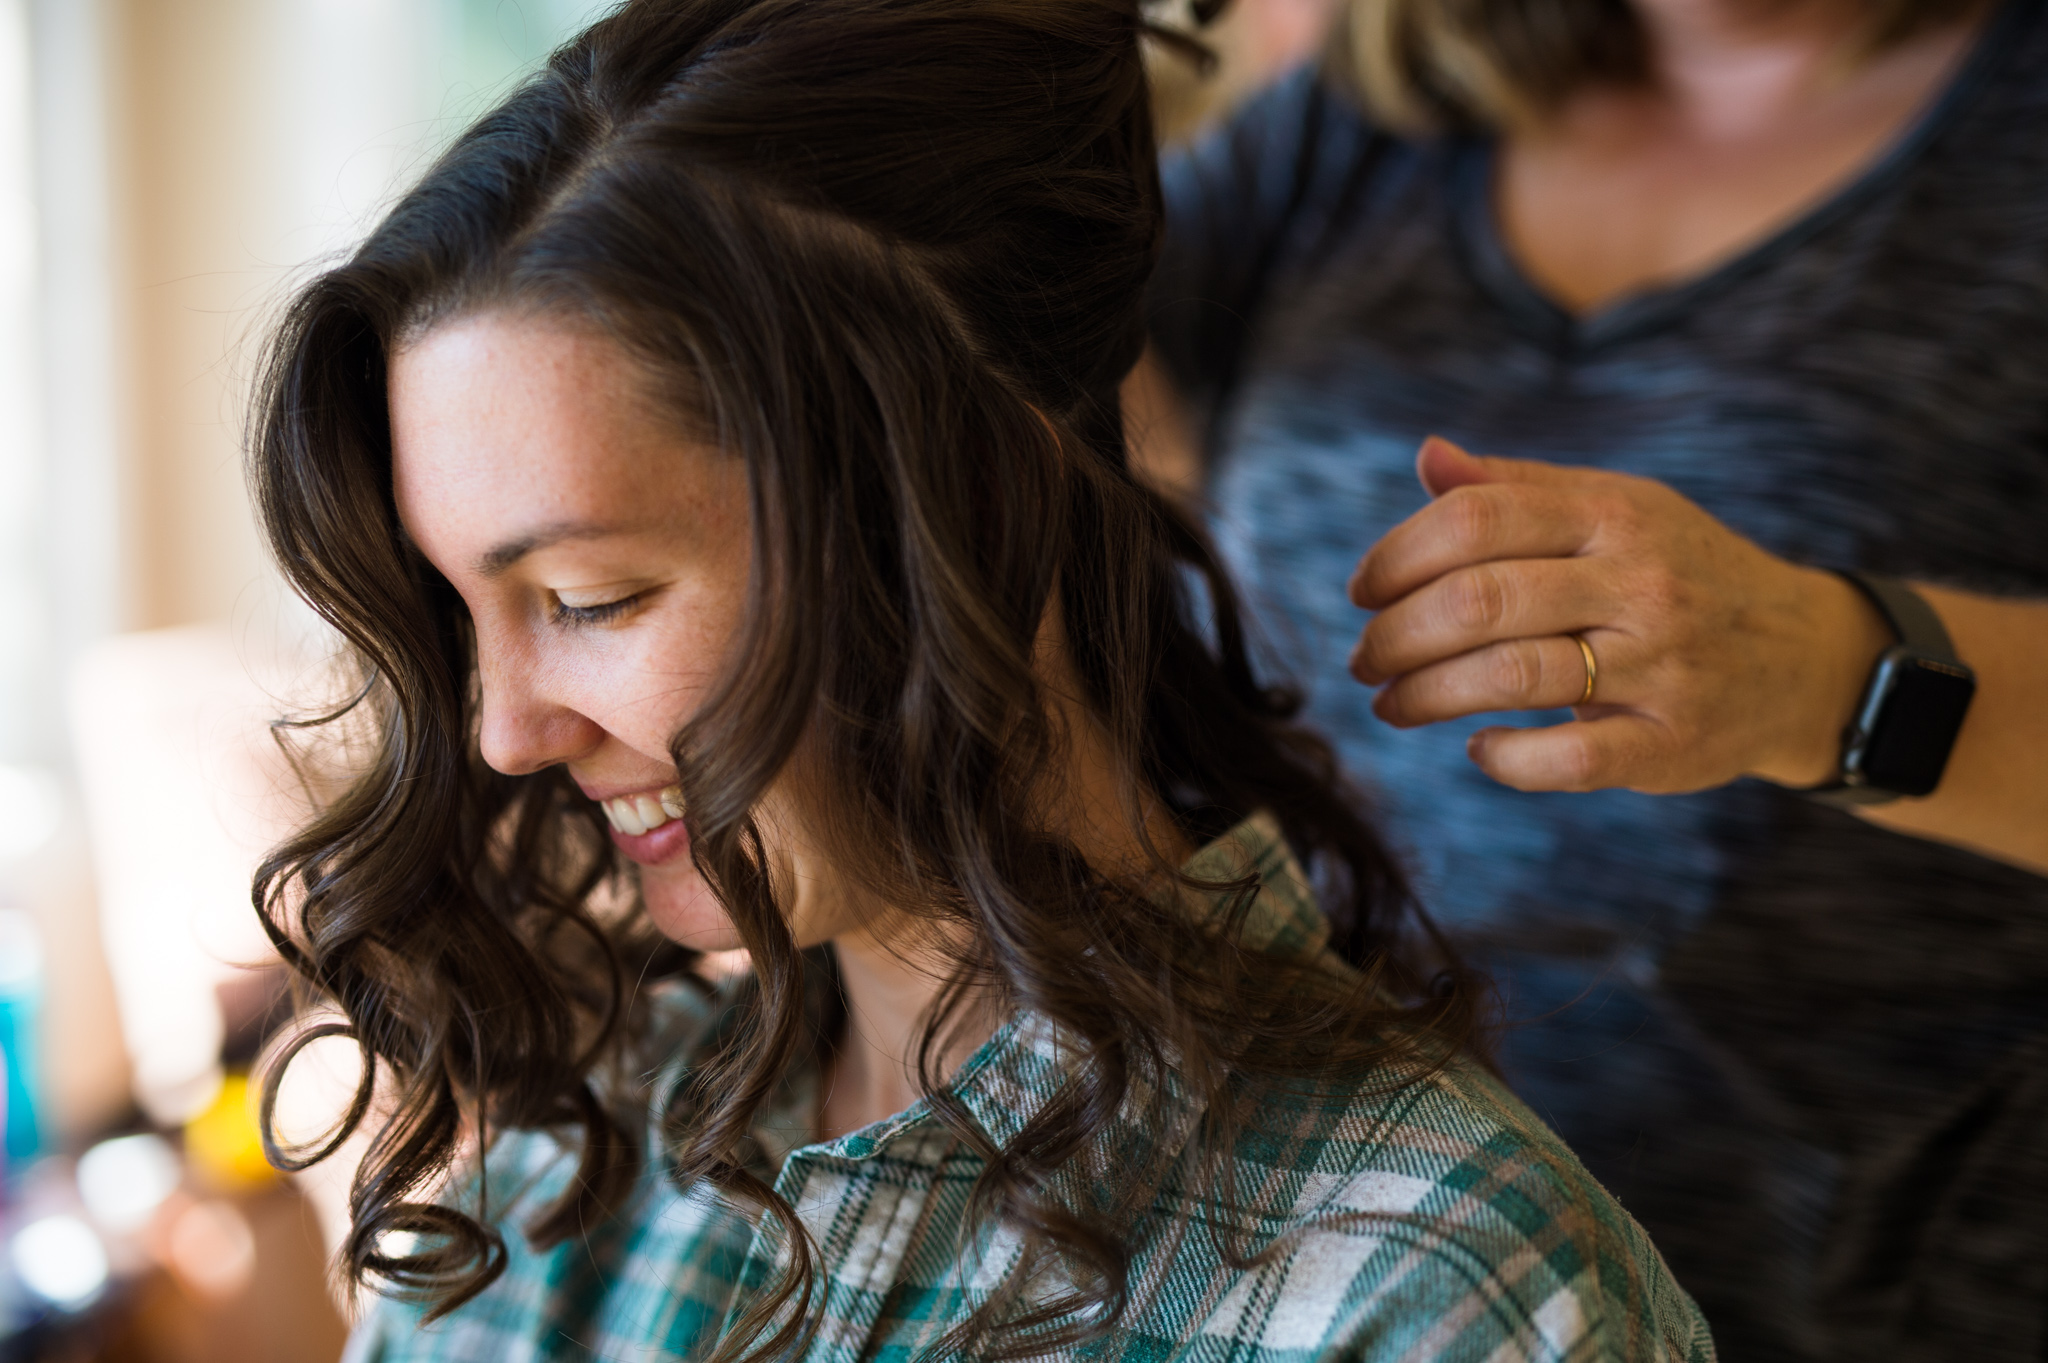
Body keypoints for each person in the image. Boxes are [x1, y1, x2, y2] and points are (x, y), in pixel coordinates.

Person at [243, 1, 1715, 1359]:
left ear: (977, 503)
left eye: (590, 598)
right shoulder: (558, 1202)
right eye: (462, 613)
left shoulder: (1441, 1293)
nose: (504, 731)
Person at [1139, 0, 2048, 1357]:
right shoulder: (1364, 121)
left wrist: (1822, 669)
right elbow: (973, 342)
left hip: (1844, 1289)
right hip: (1326, 1270)